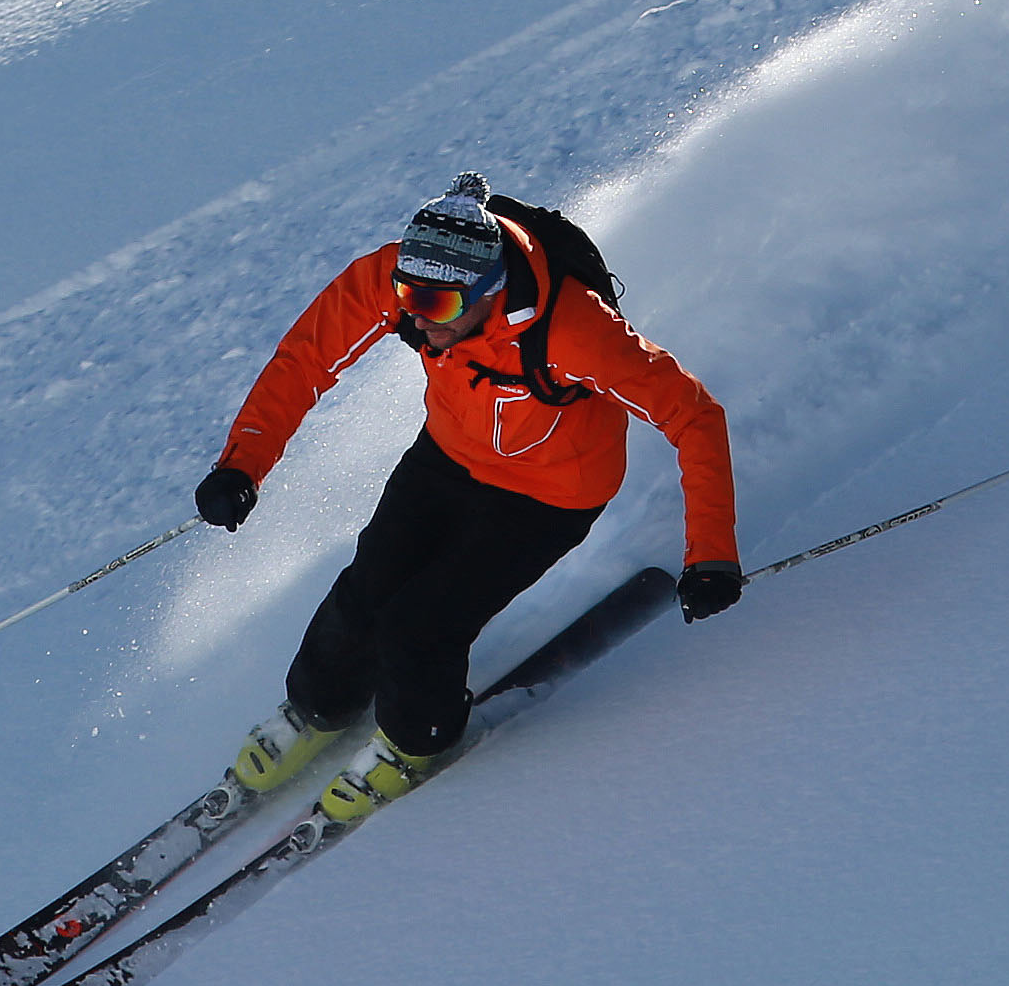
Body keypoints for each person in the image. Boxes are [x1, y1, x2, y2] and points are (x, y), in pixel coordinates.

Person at [190, 173, 741, 826]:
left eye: (439, 307)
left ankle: (413, 742)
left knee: (420, 625)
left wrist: (712, 555)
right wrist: (242, 464)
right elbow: (306, 359)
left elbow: (694, 416)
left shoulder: (573, 332)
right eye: (407, 296)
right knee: (363, 594)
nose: (417, 318)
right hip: (447, 458)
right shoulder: (408, 282)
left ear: (490, 292)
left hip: (548, 495)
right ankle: (315, 710)